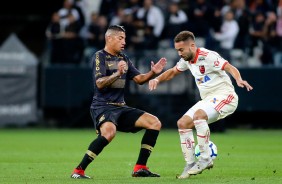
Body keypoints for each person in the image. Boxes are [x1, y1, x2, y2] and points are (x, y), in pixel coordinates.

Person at [148, 30, 253, 179]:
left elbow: (229, 67)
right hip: (208, 100)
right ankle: (190, 163)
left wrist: (238, 79)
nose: (179, 53)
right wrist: (157, 79)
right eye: (177, 50)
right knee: (182, 123)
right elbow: (172, 72)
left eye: (181, 50)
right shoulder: (186, 60)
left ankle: (205, 159)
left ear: (192, 46)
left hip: (226, 96)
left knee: (199, 116)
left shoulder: (208, 56)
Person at [70, 25, 167, 179]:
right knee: (109, 133)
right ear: (109, 38)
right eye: (120, 38)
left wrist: (152, 73)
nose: (124, 42)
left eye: (125, 39)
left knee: (154, 122)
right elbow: (100, 83)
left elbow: (139, 80)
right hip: (102, 106)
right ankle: (78, 171)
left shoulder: (124, 58)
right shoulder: (99, 56)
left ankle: (140, 168)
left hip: (121, 107)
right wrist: (117, 73)